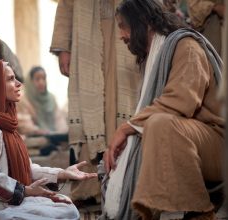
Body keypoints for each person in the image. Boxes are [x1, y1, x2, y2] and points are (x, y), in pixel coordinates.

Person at [102, 0, 224, 219]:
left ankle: (200, 211)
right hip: (192, 138)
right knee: (129, 148)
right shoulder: (154, 57)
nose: (121, 35)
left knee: (160, 124)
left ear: (144, 23)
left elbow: (181, 102)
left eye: (123, 26)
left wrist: (127, 128)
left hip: (217, 145)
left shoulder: (186, 46)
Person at [0, 60, 97, 220]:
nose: (19, 83)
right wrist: (24, 191)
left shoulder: (5, 127)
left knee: (66, 207)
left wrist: (61, 173)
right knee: (63, 212)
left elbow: (27, 168)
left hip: (9, 203)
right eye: (11, 79)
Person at [50, 0, 141, 204]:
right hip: (87, 32)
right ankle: (89, 187)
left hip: (127, 30)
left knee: (124, 103)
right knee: (90, 108)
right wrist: (63, 48)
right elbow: (66, 4)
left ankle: (128, 183)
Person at [25, 66, 67, 134]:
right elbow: (25, 125)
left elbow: (59, 120)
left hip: (54, 137)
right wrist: (39, 131)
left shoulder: (51, 98)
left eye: (43, 79)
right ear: (30, 81)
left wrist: (61, 133)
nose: (41, 82)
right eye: (37, 79)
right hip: (34, 138)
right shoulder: (25, 99)